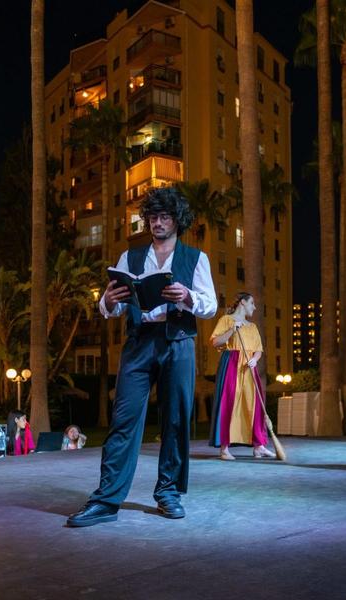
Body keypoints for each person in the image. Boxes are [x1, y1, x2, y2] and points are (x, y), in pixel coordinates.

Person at [67, 186, 217, 527]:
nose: (157, 223)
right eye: (152, 217)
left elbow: (210, 306)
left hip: (178, 340)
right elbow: (112, 307)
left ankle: (168, 493)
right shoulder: (130, 258)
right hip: (139, 341)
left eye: (164, 217)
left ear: (177, 220)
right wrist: (107, 298)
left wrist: (188, 296)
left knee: (176, 420)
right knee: (123, 421)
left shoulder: (196, 258)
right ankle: (106, 500)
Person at [208, 292, 276, 461]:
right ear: (243, 303)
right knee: (229, 402)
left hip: (248, 368)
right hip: (231, 364)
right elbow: (215, 342)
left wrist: (254, 359)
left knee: (254, 405)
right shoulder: (226, 320)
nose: (254, 306)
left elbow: (258, 349)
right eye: (252, 303)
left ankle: (258, 446)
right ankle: (224, 448)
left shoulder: (252, 327)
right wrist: (233, 329)